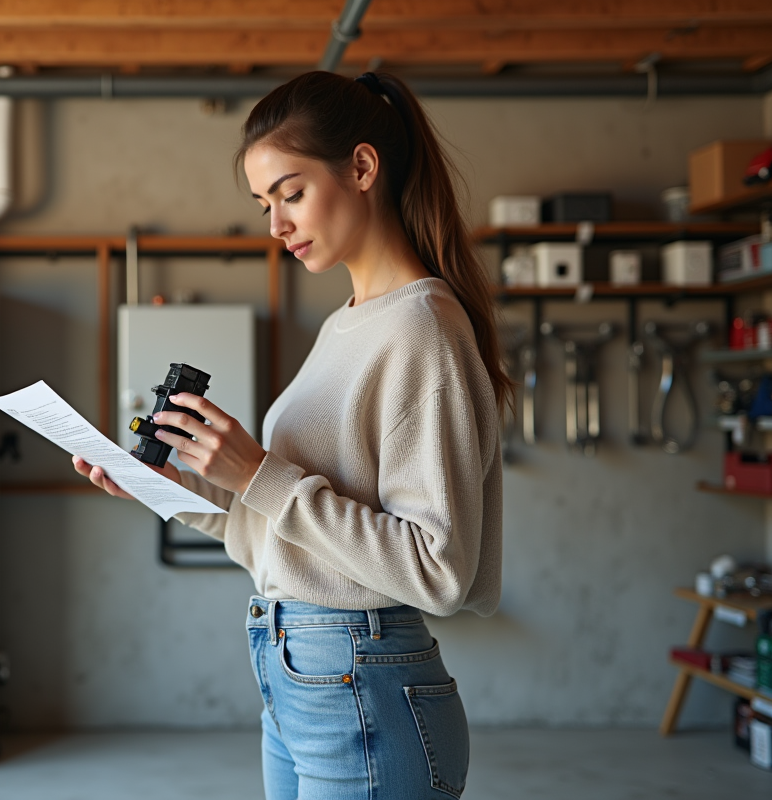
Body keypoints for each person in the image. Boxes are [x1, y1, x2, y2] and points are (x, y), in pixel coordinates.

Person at [73, 70, 508, 800]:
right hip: (300, 669)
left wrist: (256, 474)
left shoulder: (422, 327)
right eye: (263, 202)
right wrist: (166, 489)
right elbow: (289, 532)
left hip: (357, 673)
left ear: (363, 168)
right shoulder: (346, 324)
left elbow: (439, 569)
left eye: (291, 193)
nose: (275, 224)